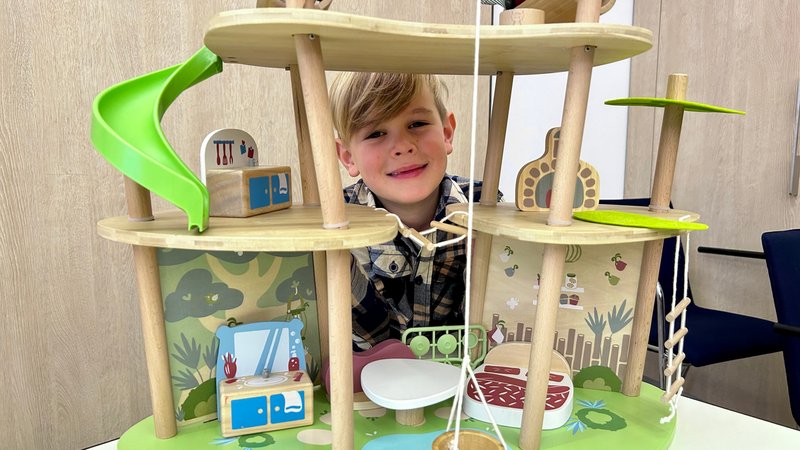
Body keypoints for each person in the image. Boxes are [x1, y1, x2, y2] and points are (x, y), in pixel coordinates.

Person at [329, 72, 499, 351]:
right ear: (348, 157)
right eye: (376, 133)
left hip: (466, 380)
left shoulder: (485, 205)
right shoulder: (337, 221)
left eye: (417, 124)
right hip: (368, 383)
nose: (403, 146)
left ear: (446, 133)